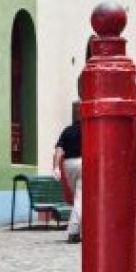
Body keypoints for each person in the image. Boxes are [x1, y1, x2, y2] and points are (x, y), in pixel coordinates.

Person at [53, 104, 83, 245]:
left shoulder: (67, 130)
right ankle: (73, 231)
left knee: (78, 197)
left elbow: (58, 150)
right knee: (80, 198)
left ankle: (78, 229)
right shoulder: (88, 129)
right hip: (84, 163)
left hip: (68, 164)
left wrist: (56, 168)